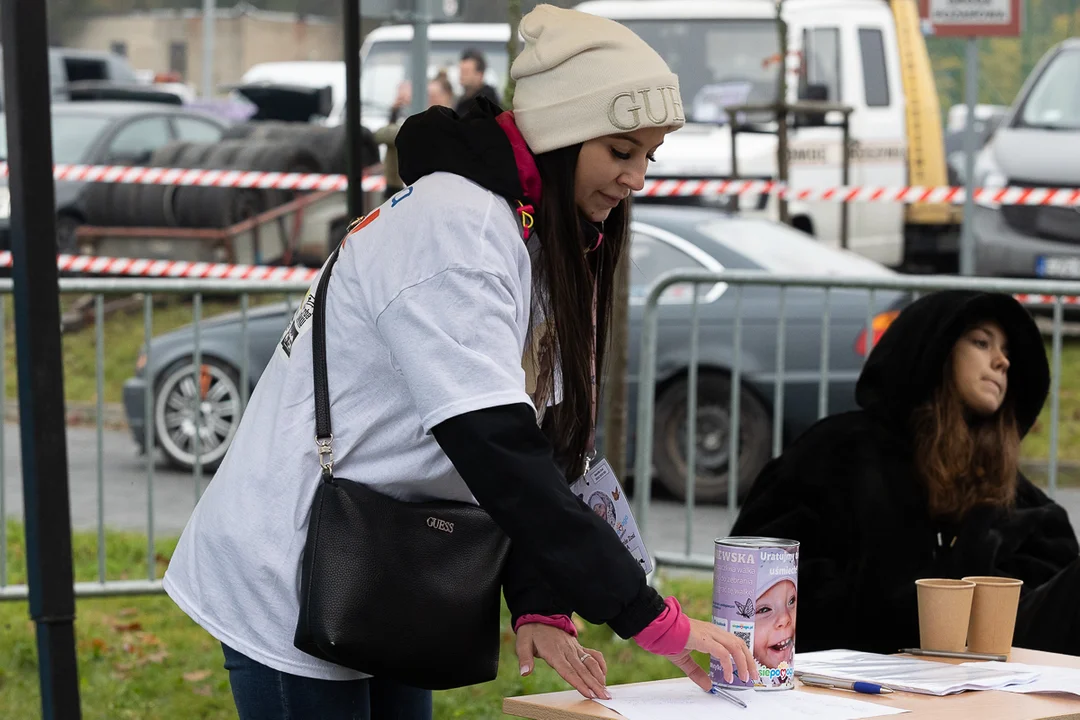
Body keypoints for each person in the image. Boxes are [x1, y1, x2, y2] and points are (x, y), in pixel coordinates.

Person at [162, 6, 756, 719]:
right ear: (563, 134)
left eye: (647, 157)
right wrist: (643, 612)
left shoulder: (540, 234)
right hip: (292, 565)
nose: (635, 178)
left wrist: (541, 602)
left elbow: (543, 439)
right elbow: (496, 447)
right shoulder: (458, 229)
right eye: (620, 150)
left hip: (390, 563)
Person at [731, 290, 1080, 657]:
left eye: (1007, 352)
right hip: (851, 675)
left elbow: (1050, 607)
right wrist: (896, 602)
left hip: (991, 683)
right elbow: (753, 575)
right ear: (933, 348)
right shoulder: (839, 452)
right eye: (981, 342)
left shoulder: (1014, 495)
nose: (1002, 361)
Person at [374, 73, 455, 201]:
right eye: (428, 96)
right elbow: (380, 135)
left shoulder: (454, 123)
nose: (430, 100)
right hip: (405, 189)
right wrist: (395, 112)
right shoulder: (419, 119)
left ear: (447, 96)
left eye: (433, 96)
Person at [454, 47, 501, 116]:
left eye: (466, 71)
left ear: (480, 75)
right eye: (461, 71)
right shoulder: (462, 100)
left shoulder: (486, 103)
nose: (461, 75)